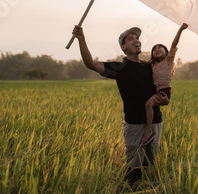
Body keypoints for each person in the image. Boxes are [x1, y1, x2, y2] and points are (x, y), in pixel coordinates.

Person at [72, 25, 169, 187]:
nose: (136, 40)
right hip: (134, 125)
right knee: (134, 171)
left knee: (151, 167)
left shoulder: (149, 66)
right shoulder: (120, 68)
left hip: (155, 123)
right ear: (123, 47)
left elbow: (163, 86)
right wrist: (81, 39)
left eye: (137, 38)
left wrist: (165, 99)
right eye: (130, 39)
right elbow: (90, 63)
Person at [141, 23, 188, 145]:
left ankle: (149, 131)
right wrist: (127, 58)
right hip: (159, 92)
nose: (156, 49)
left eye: (159, 48)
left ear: (166, 52)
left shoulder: (168, 60)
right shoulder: (152, 64)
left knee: (148, 105)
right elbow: (141, 61)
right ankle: (149, 130)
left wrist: (181, 29)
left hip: (165, 91)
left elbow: (174, 44)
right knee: (149, 105)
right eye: (154, 49)